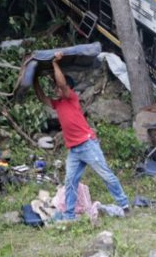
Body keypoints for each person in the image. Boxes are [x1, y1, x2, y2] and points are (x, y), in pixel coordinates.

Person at [33, 51, 129, 221]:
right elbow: (42, 98)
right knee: (70, 182)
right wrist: (35, 80)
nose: (56, 89)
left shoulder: (72, 98)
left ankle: (124, 204)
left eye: (57, 87)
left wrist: (55, 64)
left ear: (68, 89)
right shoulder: (58, 103)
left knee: (106, 175)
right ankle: (69, 215)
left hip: (87, 144)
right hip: (74, 150)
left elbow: (62, 84)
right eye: (54, 87)